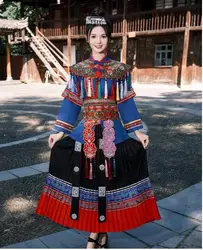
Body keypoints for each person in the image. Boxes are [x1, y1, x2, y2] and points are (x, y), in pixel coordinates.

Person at [36, 7, 161, 249]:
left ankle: (97, 234)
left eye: (103, 35)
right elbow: (72, 102)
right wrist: (59, 132)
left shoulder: (120, 70)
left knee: (110, 182)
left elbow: (125, 102)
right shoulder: (78, 70)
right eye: (93, 36)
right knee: (90, 183)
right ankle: (99, 233)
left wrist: (137, 130)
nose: (98, 41)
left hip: (114, 132)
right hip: (86, 132)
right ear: (87, 38)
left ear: (110, 37)